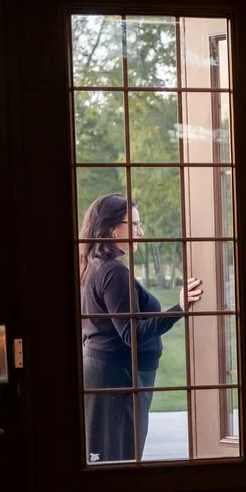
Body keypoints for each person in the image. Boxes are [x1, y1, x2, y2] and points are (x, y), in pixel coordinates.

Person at [79, 194, 203, 463]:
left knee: (110, 458)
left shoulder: (96, 266)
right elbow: (131, 334)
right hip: (118, 381)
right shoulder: (113, 272)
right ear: (113, 228)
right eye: (133, 224)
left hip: (109, 377)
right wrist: (179, 308)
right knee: (120, 461)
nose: (141, 231)